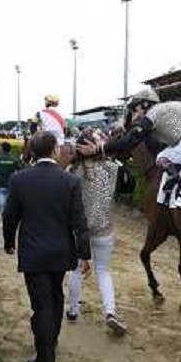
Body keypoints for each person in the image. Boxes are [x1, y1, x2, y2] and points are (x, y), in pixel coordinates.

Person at [2, 131, 91, 362]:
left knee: (42, 304)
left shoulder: (19, 179)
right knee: (55, 297)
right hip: (61, 252)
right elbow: (79, 221)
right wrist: (85, 254)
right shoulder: (69, 181)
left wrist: (9, 242)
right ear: (53, 151)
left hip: (32, 252)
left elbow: (10, 217)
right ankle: (49, 343)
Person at [67, 129, 126, 334]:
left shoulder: (72, 171)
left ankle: (73, 310)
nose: (104, 142)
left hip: (79, 228)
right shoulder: (112, 168)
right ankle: (110, 311)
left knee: (75, 269)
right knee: (103, 271)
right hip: (104, 227)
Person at [78, 89, 181, 177]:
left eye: (135, 109)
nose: (135, 114)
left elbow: (131, 140)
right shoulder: (177, 104)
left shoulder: (153, 113)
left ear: (143, 104)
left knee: (161, 157)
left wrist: (100, 148)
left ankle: (173, 182)